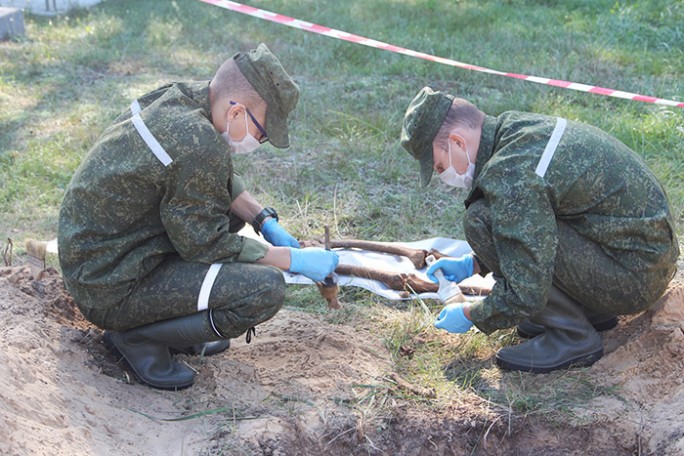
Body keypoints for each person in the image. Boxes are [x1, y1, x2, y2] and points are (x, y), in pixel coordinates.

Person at [58, 43, 339, 390]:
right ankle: (137, 338)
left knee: (225, 214)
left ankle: (174, 325)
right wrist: (291, 259)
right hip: (108, 286)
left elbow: (211, 181)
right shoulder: (197, 143)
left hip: (100, 257)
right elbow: (206, 244)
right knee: (263, 290)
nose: (259, 141)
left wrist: (264, 221)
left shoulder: (186, 98)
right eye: (262, 133)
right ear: (237, 113)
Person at [400, 87, 679, 373]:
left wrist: (473, 313)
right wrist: (473, 264)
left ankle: (572, 336)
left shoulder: (511, 174)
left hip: (632, 279)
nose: (442, 175)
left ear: (457, 142)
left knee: (482, 219)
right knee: (496, 218)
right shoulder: (516, 129)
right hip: (640, 258)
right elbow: (538, 220)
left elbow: (527, 289)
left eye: (439, 165)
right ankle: (583, 311)